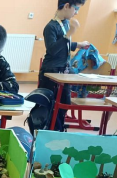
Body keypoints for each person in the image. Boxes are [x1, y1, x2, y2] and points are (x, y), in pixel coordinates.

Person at [38, 0, 90, 132]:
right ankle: (48, 132)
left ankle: (58, 130)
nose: (76, 13)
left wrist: (78, 45)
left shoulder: (65, 23)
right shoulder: (50, 27)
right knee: (50, 106)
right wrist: (69, 34)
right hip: (51, 71)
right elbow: (52, 49)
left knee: (64, 103)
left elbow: (64, 45)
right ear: (66, 6)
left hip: (64, 70)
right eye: (76, 9)